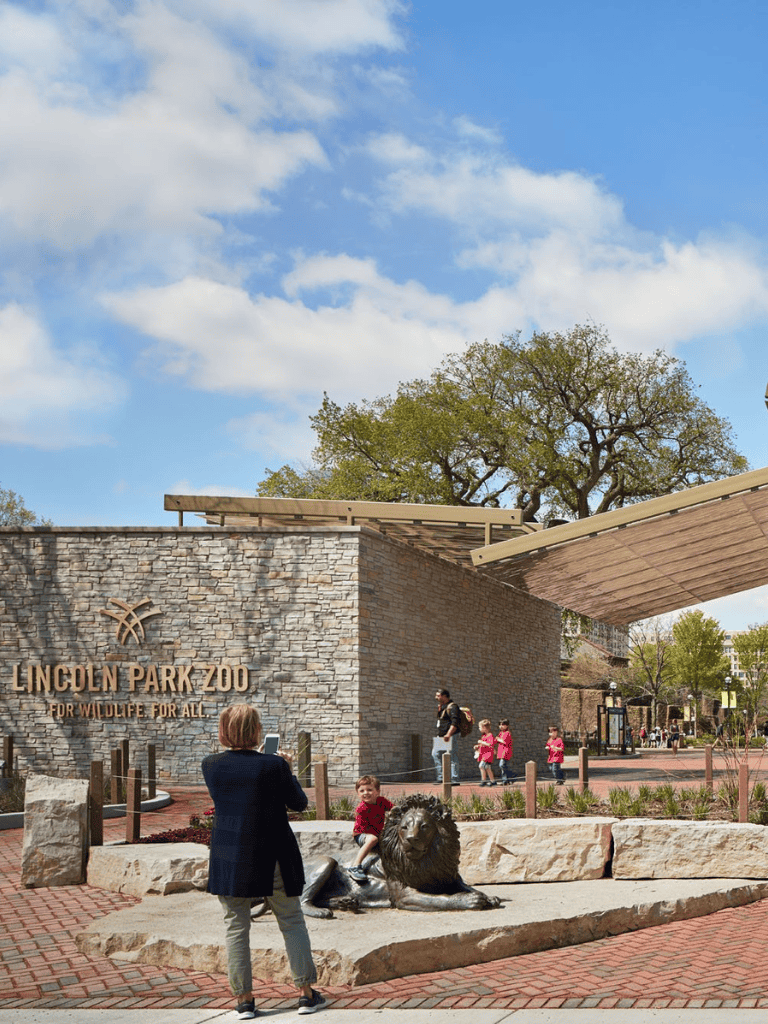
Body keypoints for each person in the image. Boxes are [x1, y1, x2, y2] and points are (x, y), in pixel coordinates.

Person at [202, 704, 326, 1019]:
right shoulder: (273, 766)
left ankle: (244, 1001)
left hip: (230, 855)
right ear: (256, 731)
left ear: (224, 730)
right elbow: (298, 802)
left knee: (235, 926)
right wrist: (286, 768)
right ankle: (305, 994)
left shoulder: (210, 765)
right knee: (291, 920)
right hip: (273, 854)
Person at [348, 775, 393, 883]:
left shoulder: (382, 801)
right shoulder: (362, 809)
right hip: (363, 834)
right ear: (358, 793)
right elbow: (367, 829)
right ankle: (355, 866)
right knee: (373, 839)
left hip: (377, 833)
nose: (366, 793)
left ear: (377, 791)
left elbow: (394, 809)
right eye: (362, 790)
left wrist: (394, 813)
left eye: (369, 790)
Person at [432, 688, 461, 784]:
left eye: (438, 695)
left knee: (452, 756)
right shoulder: (442, 707)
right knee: (435, 754)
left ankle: (454, 779)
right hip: (441, 736)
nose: (436, 697)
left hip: (450, 735)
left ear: (444, 696)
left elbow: (455, 722)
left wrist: (449, 734)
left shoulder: (453, 707)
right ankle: (440, 778)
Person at [474, 719, 497, 786]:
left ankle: (484, 780)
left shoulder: (490, 735)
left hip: (488, 755)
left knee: (481, 766)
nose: (479, 729)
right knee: (487, 768)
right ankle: (492, 781)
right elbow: (483, 744)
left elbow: (490, 744)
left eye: (480, 727)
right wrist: (478, 746)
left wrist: (481, 742)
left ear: (484, 728)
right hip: (484, 754)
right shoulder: (484, 736)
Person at [496, 718, 514, 784]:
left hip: (505, 752)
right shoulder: (501, 733)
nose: (501, 726)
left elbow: (504, 741)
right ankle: (507, 779)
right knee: (504, 766)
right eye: (500, 724)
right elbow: (496, 740)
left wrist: (498, 739)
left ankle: (506, 779)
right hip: (501, 751)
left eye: (503, 724)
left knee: (502, 765)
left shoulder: (507, 733)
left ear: (507, 725)